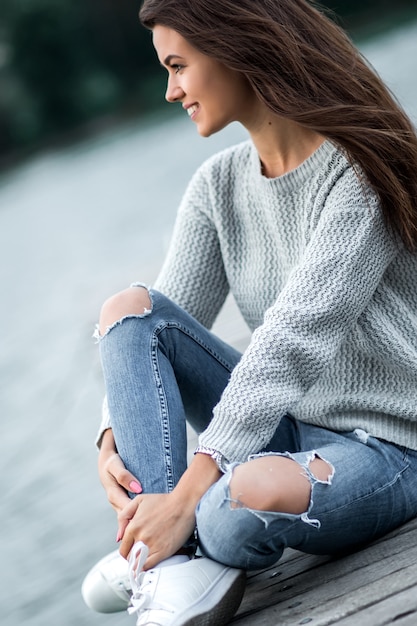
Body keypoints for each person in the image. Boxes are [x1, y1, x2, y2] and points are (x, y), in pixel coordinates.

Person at [81, 0, 417, 624]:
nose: (170, 89)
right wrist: (109, 443)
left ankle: (175, 539)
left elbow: (292, 339)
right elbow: (153, 326)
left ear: (234, 48)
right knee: (128, 308)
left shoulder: (355, 171)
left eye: (178, 66)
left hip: (394, 445)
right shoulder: (217, 186)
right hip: (288, 425)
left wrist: (192, 490)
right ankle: (169, 561)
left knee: (232, 503)